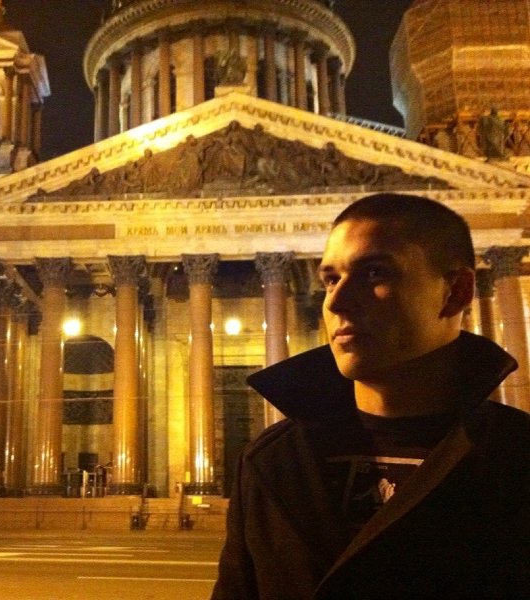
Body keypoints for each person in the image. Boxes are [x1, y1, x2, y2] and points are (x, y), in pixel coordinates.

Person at [211, 193, 530, 599]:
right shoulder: (271, 461)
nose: (336, 302)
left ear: (456, 292)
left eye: (375, 273)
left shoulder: (516, 460)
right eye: (330, 279)